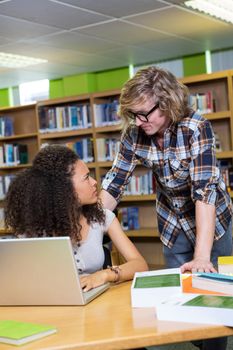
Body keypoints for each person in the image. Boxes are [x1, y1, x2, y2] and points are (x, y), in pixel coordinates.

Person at [100, 66, 232, 350]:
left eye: (144, 113)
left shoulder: (195, 127)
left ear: (167, 102)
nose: (139, 121)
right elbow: (114, 184)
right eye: (133, 114)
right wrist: (85, 225)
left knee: (215, 300)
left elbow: (205, 192)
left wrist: (201, 256)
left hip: (214, 223)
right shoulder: (134, 133)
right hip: (173, 223)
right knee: (183, 302)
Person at [4, 144, 148, 292]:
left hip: (95, 301)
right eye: (86, 178)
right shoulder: (34, 227)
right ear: (63, 189)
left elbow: (140, 265)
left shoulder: (102, 217)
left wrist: (104, 275)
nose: (94, 182)